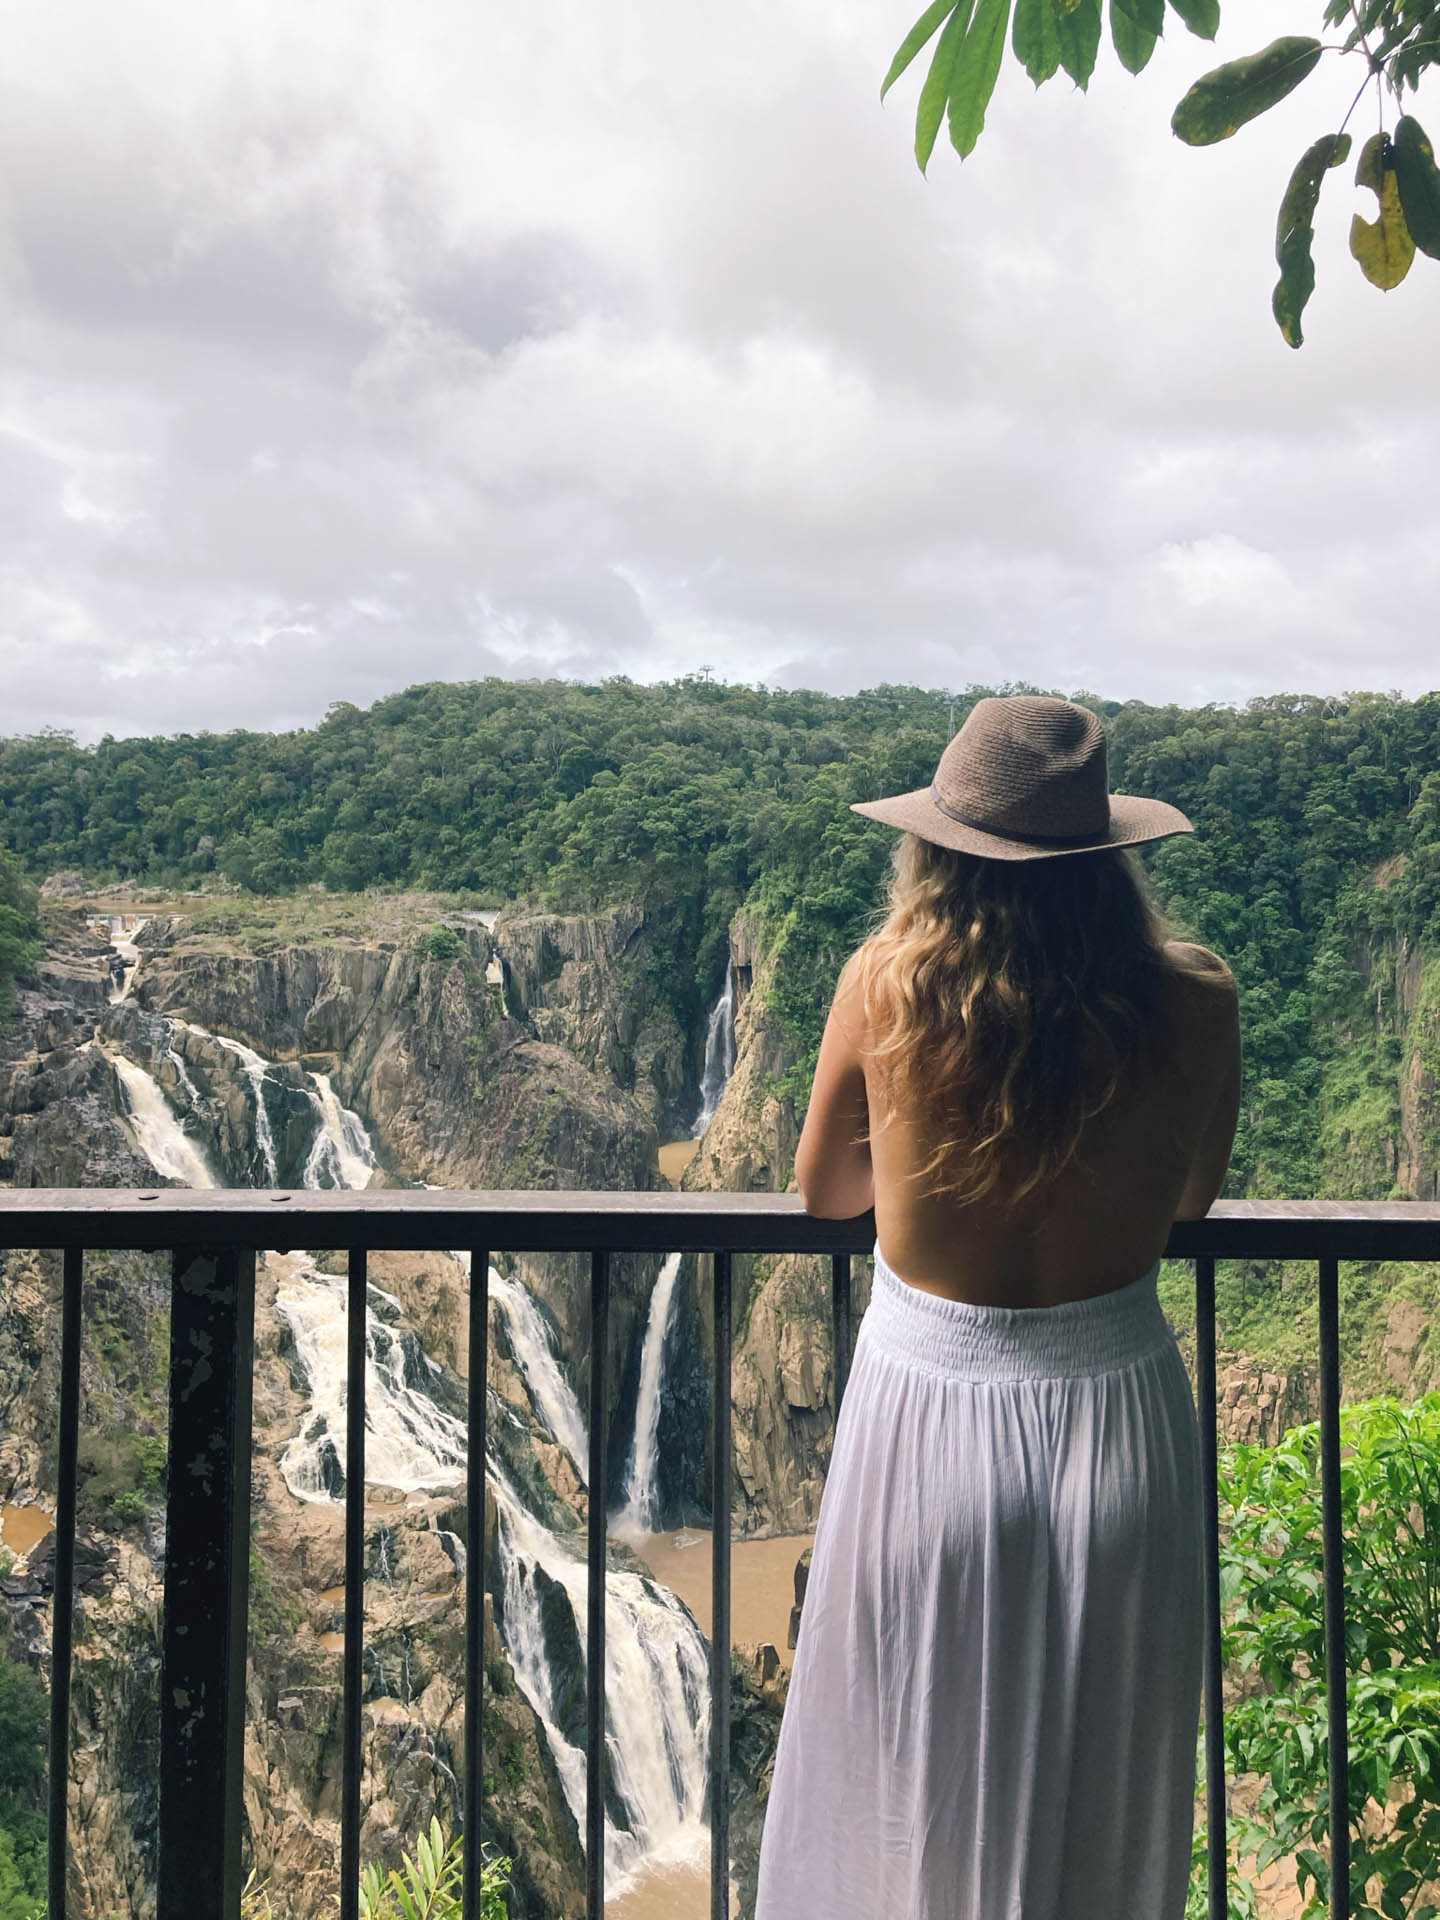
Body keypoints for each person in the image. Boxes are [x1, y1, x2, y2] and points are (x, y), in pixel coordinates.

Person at [752, 696, 1241, 1920]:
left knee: (902, 1796)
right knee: (1100, 1809)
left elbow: (825, 1195)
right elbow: (1189, 1196)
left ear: (937, 848)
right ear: (1110, 857)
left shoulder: (889, 984)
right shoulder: (1194, 996)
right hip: (1116, 1413)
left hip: (928, 1425)